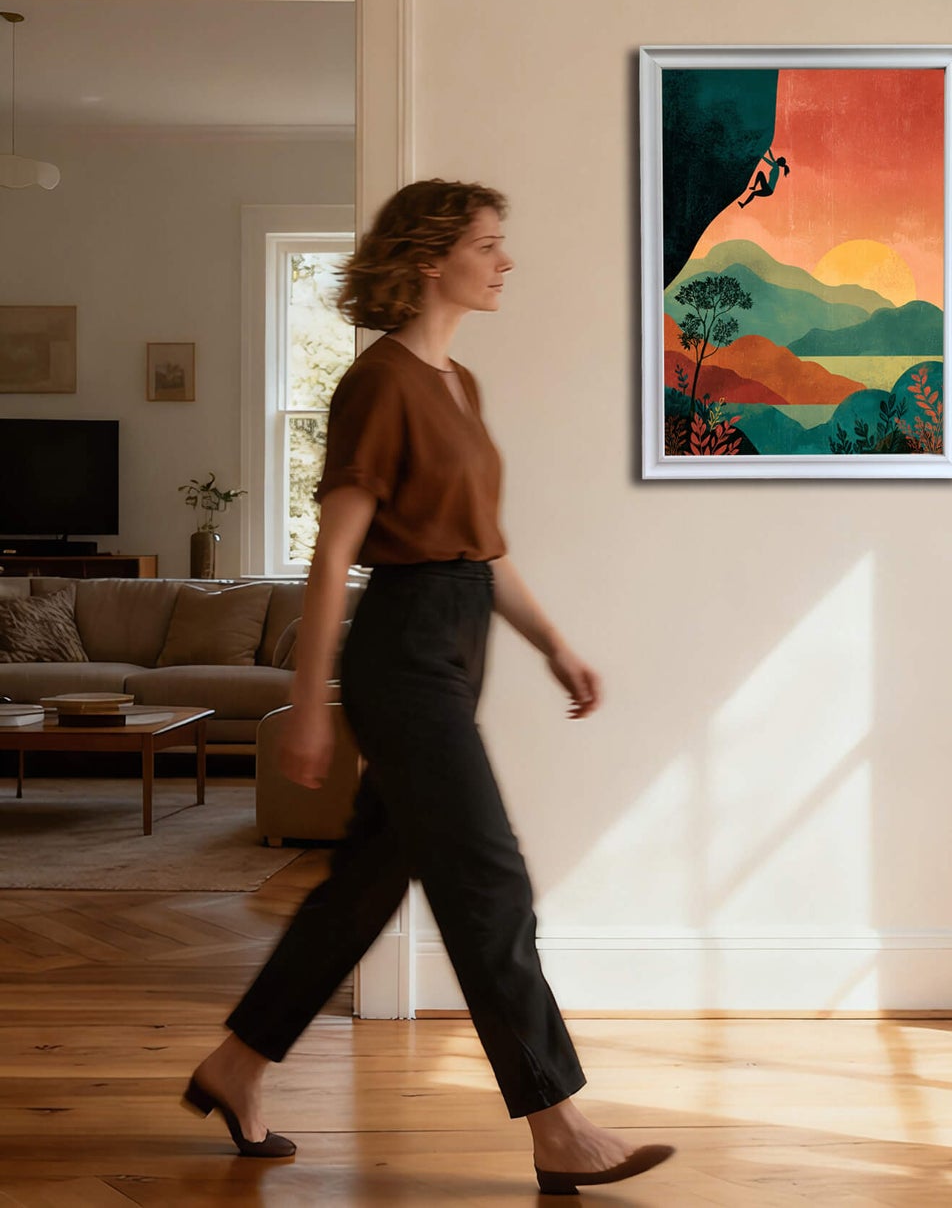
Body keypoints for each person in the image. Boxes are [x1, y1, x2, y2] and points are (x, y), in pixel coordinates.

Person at [180, 179, 675, 1196]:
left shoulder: (460, 384)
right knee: (490, 880)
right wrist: (307, 703)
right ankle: (557, 1122)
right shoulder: (378, 383)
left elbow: (483, 548)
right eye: (487, 245)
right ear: (428, 257)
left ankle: (237, 1063)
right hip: (402, 652)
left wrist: (552, 644)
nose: (504, 262)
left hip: (457, 637)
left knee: (367, 882)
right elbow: (333, 556)